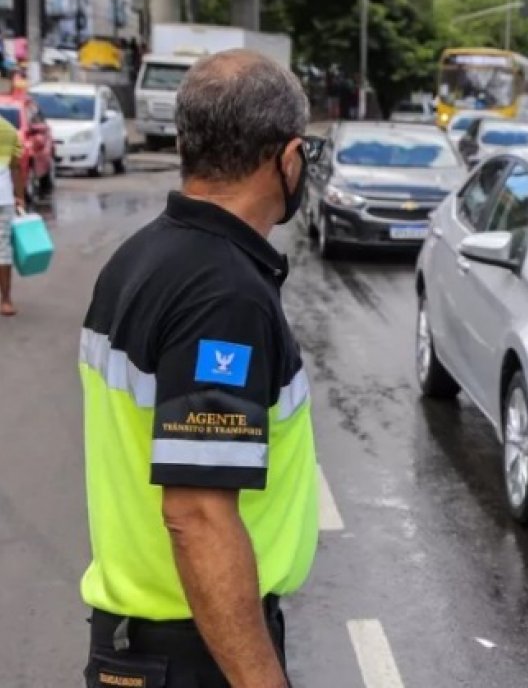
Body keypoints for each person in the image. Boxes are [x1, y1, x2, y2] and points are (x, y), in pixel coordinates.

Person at [80, 49, 319, 688]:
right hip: (193, 651)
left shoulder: (142, 256)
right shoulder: (223, 294)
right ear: (288, 158)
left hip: (143, 643)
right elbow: (199, 514)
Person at [0, 111, 27, 316]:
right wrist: (19, 197)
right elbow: (16, 167)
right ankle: (6, 300)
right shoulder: (8, 130)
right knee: (3, 251)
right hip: (3, 198)